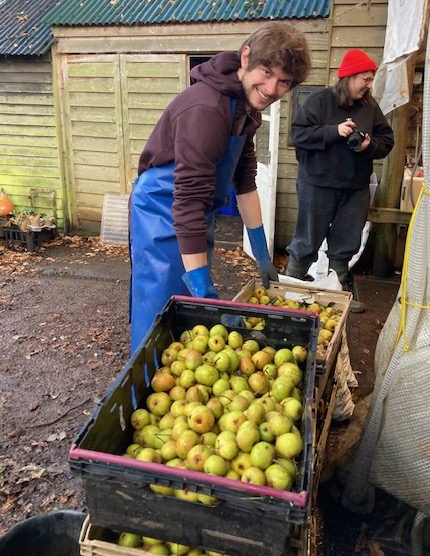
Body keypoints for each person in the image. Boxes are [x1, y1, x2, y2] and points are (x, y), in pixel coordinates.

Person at [129, 22, 311, 353]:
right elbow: (186, 201)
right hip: (162, 209)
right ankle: (141, 381)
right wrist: (204, 291)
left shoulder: (246, 107)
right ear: (246, 57)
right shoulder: (206, 109)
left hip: (195, 211)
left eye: (283, 82)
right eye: (267, 72)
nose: (271, 88)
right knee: (162, 306)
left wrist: (261, 252)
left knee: (189, 309)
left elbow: (244, 178)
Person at [285, 49, 394, 312]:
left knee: (346, 244)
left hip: (355, 187)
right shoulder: (319, 101)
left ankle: (338, 297)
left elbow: (387, 141)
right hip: (317, 184)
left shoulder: (369, 106)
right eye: (365, 79)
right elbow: (298, 136)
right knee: (307, 241)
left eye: (370, 80)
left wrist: (369, 145)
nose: (369, 85)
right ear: (349, 77)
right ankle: (289, 290)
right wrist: (334, 131)